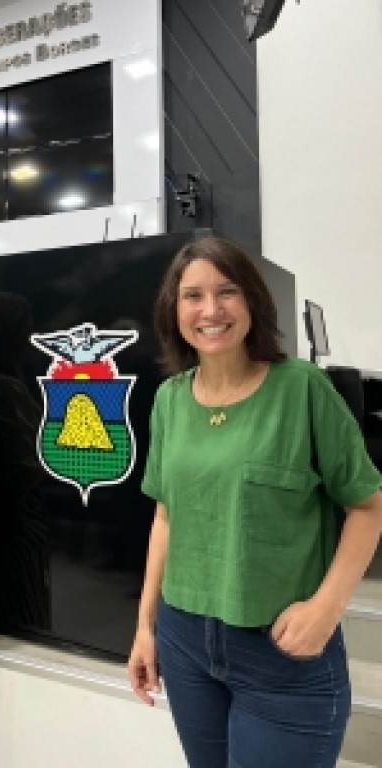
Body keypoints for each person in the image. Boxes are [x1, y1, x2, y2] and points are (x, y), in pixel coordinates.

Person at [127, 235, 382, 768]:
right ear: (174, 310)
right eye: (193, 296)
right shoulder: (170, 399)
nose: (211, 310)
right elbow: (166, 516)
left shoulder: (302, 389)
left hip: (282, 652)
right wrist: (145, 628)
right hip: (185, 642)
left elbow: (367, 506)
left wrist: (327, 609)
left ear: (252, 301)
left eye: (227, 291)